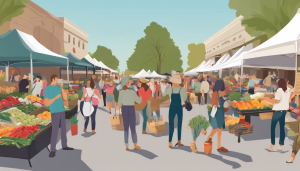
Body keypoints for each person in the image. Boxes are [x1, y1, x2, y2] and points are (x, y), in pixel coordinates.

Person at [44, 74, 74, 158]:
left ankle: (64, 146)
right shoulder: (48, 89)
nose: (57, 81)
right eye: (56, 79)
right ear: (53, 79)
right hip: (54, 112)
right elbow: (46, 103)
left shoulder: (58, 87)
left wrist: (61, 88)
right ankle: (52, 150)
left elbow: (65, 98)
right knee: (55, 131)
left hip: (62, 111)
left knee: (63, 130)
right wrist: (55, 98)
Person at [262, 78, 291, 152]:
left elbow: (277, 100)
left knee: (273, 128)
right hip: (284, 111)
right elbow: (289, 99)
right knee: (282, 128)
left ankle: (272, 145)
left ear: (279, 84)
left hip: (277, 112)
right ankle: (281, 146)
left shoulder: (279, 90)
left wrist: (267, 100)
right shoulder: (288, 90)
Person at [118, 76, 142, 151]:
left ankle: (126, 145)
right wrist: (140, 96)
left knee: (126, 128)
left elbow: (119, 104)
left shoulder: (121, 92)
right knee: (133, 127)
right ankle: (135, 144)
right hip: (131, 109)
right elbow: (138, 101)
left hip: (124, 109)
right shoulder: (132, 92)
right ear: (127, 83)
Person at [164, 74, 187, 148]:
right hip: (179, 108)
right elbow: (184, 99)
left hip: (172, 108)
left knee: (171, 125)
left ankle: (170, 142)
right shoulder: (182, 89)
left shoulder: (170, 89)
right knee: (179, 124)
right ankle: (179, 141)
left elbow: (166, 97)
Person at [206, 79, 228, 153]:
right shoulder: (220, 92)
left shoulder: (215, 92)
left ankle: (210, 137)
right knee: (219, 128)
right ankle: (218, 145)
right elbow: (225, 101)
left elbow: (213, 102)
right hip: (219, 111)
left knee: (217, 127)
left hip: (216, 110)